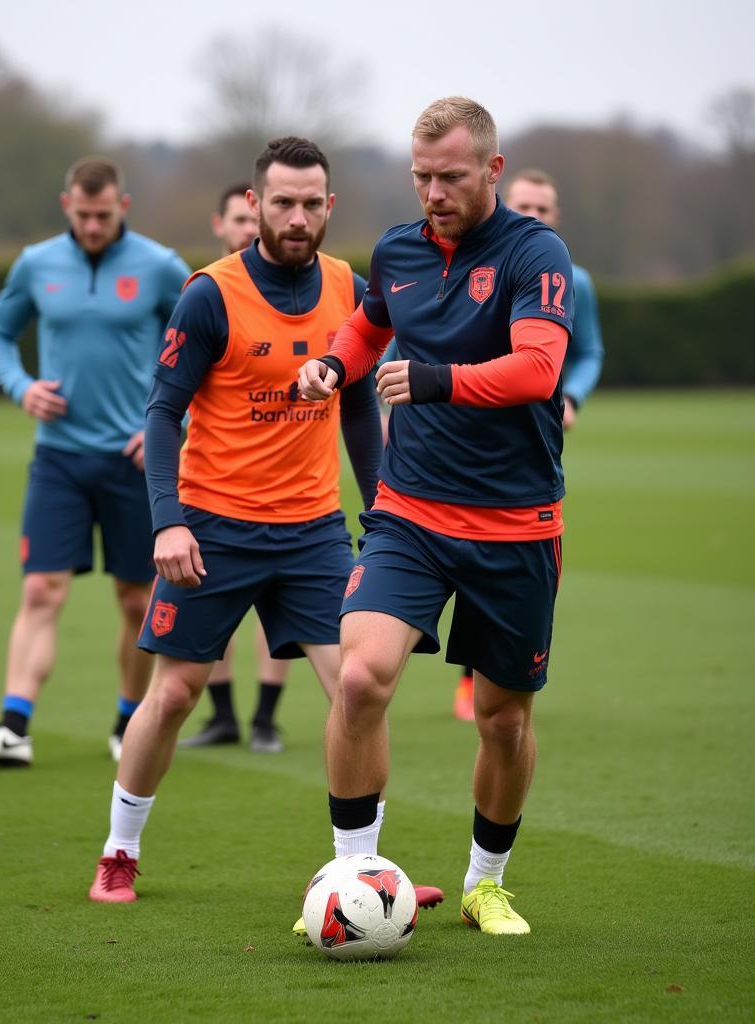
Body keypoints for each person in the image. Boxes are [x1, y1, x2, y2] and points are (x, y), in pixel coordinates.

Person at [298, 97, 574, 935]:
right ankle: (357, 877)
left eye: (450, 176)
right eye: (421, 176)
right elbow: (370, 323)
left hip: (515, 524)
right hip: (410, 513)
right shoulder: (398, 249)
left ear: (491, 170)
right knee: (358, 677)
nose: (433, 192)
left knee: (502, 718)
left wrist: (436, 379)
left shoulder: (536, 252)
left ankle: (486, 882)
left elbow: (538, 369)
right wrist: (332, 366)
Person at [87, 137, 386, 903]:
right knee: (176, 695)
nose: (296, 216)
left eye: (310, 202)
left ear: (330, 206)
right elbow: (162, 415)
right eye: (281, 201)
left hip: (314, 530)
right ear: (254, 205)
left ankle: (362, 870)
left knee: (357, 688)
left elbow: (357, 406)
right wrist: (167, 522)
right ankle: (119, 850)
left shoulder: (349, 288)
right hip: (212, 530)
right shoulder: (209, 294)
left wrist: (383, 509)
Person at [0, 157, 190, 768]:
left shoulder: (161, 268)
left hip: (134, 462)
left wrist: (172, 427)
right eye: (81, 215)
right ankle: (13, 727)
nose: (91, 226)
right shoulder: (36, 264)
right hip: (57, 459)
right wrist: (19, 386)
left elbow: (209, 348)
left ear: (122, 207)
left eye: (102, 215)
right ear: (66, 207)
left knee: (137, 600)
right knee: (41, 590)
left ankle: (127, 723)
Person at [451, 167, 604, 721]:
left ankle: (507, 672)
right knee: (463, 541)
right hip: (465, 434)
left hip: (534, 438)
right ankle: (469, 680)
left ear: (556, 216)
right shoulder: (467, 265)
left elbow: (587, 352)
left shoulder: (572, 280)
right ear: (502, 202)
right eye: (526, 207)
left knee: (515, 557)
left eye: (544, 209)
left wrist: (574, 399)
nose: (535, 217)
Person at [180, 182, 292, 753]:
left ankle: (266, 719)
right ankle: (222, 715)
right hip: (216, 496)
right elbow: (174, 393)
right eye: (240, 221)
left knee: (281, 618)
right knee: (214, 620)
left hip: (297, 505)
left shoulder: (324, 287)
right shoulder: (207, 294)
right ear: (224, 224)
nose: (251, 230)